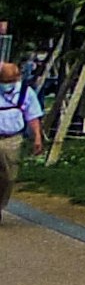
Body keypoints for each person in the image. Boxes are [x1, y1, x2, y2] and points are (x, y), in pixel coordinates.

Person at [0, 59, 44, 213]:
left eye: (10, 81)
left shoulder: (25, 92)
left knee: (9, 177)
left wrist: (37, 137)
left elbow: (32, 116)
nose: (7, 84)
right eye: (4, 81)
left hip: (12, 139)